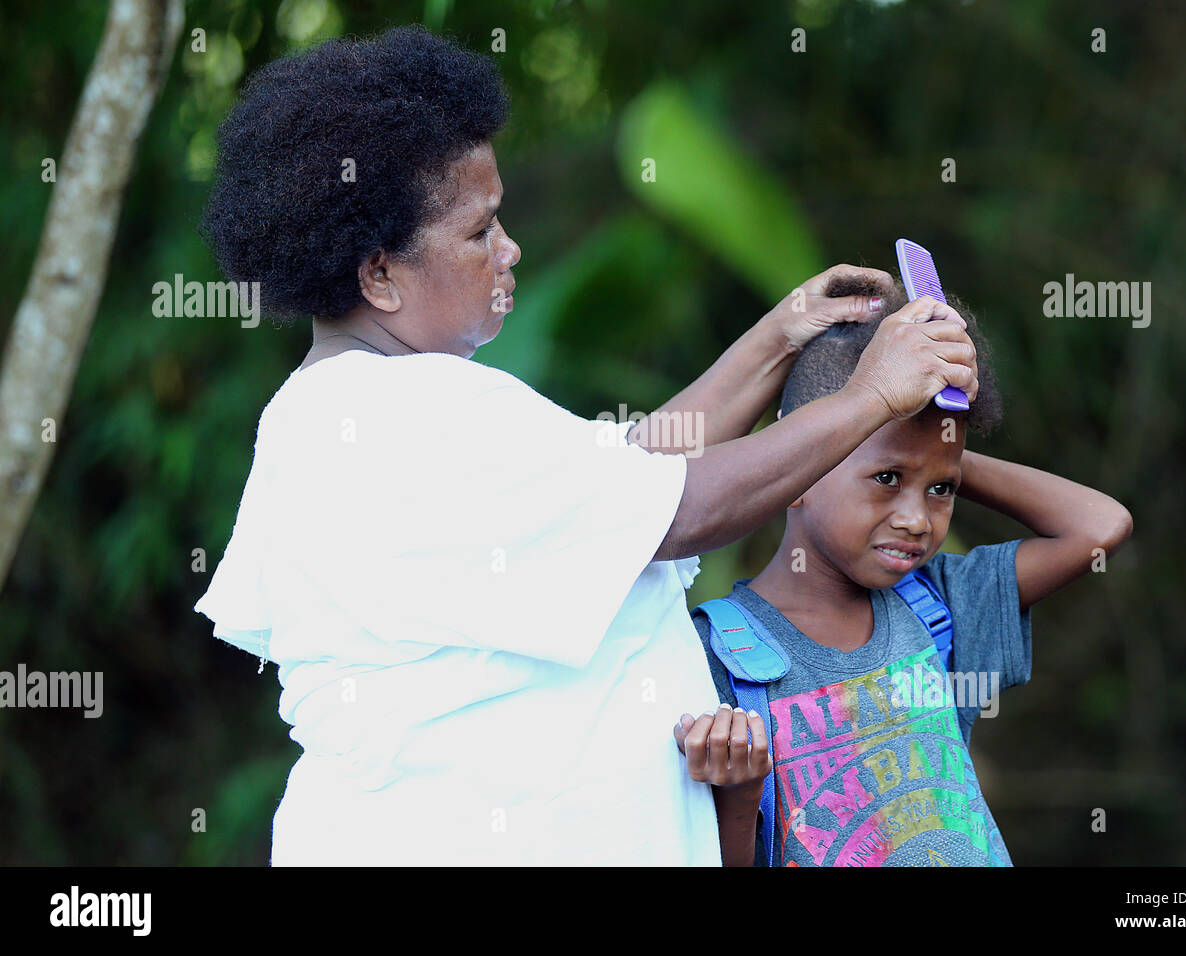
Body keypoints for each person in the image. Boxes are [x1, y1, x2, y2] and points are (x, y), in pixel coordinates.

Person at [193, 25, 981, 865]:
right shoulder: (407, 420)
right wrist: (871, 396)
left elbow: (633, 477)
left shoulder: (345, 411)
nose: (509, 250)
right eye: (479, 231)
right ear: (380, 274)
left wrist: (780, 338)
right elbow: (683, 509)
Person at [675, 272, 1133, 866]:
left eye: (941, 489)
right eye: (887, 480)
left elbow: (1099, 527)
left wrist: (932, 438)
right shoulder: (713, 656)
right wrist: (738, 795)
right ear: (797, 471)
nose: (918, 519)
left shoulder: (940, 609)